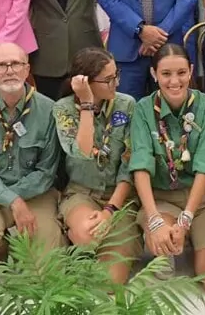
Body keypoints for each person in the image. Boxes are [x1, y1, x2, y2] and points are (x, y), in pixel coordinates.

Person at [130, 45, 205, 293]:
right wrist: (153, 219)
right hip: (162, 198)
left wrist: (186, 218)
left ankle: (191, 235)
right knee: (163, 243)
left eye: (181, 72)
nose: (174, 81)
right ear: (154, 74)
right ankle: (167, 238)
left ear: (191, 71)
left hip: (203, 199)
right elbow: (141, 166)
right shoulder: (143, 109)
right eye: (166, 74)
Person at [0, 42, 64, 254]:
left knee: (46, 254)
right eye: (1, 65)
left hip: (36, 194)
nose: (9, 71)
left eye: (16, 64)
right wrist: (10, 199)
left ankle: (48, 247)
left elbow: (46, 172)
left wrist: (12, 196)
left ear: (27, 69)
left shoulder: (48, 110)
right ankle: (1, 253)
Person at [52, 48, 141, 282]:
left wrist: (110, 210)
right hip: (82, 193)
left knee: (109, 283)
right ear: (86, 82)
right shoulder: (63, 108)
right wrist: (87, 104)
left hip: (120, 199)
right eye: (108, 79)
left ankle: (103, 249)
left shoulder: (127, 105)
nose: (116, 83)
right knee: (88, 233)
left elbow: (130, 164)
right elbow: (82, 151)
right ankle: (75, 244)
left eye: (117, 75)